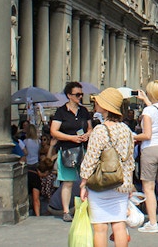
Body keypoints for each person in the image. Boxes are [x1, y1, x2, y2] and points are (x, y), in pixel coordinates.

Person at [80, 87, 135, 247]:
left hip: (101, 183)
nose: (96, 103)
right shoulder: (126, 130)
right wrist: (129, 184)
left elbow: (90, 159)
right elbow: (129, 160)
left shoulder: (100, 130)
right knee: (119, 225)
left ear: (105, 106)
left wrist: (83, 183)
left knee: (100, 228)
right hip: (121, 183)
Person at [51, 81, 92, 222]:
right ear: (69, 95)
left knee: (87, 179)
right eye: (77, 94)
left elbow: (90, 128)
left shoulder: (84, 111)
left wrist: (87, 134)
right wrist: (71, 138)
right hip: (67, 150)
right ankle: (66, 211)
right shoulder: (61, 112)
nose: (80, 97)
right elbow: (54, 131)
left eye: (81, 94)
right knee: (67, 182)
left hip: (82, 149)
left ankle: (88, 207)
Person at [134, 80, 158, 233]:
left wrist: (133, 136)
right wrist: (146, 101)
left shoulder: (147, 112)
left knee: (148, 187)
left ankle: (153, 223)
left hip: (151, 149)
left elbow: (147, 135)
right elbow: (154, 110)